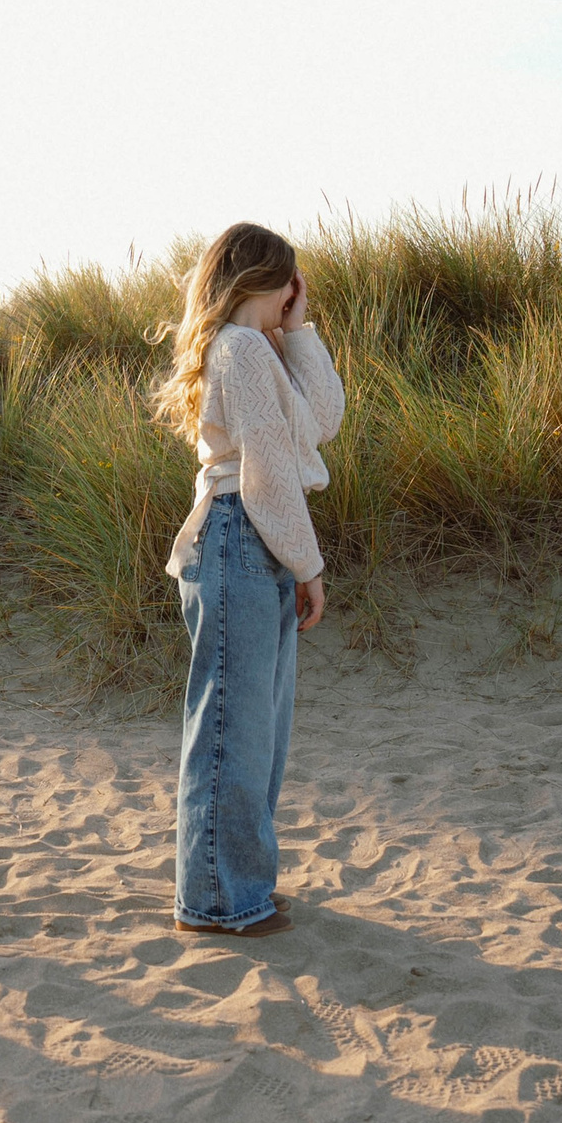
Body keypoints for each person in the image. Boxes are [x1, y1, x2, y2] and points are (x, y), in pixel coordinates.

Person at [153, 223, 347, 938]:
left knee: (254, 732)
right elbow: (266, 476)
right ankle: (216, 900)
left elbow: (322, 419)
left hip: (252, 541)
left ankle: (241, 889)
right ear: (261, 277)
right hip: (239, 534)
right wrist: (310, 566)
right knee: (231, 731)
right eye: (289, 282)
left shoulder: (254, 350)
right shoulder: (236, 350)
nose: (297, 294)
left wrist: (298, 330)